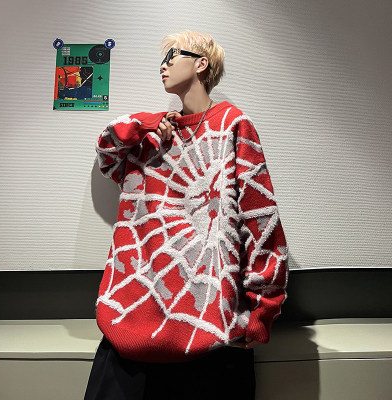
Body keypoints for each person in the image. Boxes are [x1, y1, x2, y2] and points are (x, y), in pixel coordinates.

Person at [84, 29, 289, 400]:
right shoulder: (151, 138)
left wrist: (263, 311)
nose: (162, 66)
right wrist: (148, 123)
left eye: (172, 56)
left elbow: (261, 218)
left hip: (212, 332)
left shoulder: (233, 125)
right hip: (129, 327)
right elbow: (106, 154)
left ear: (201, 64)